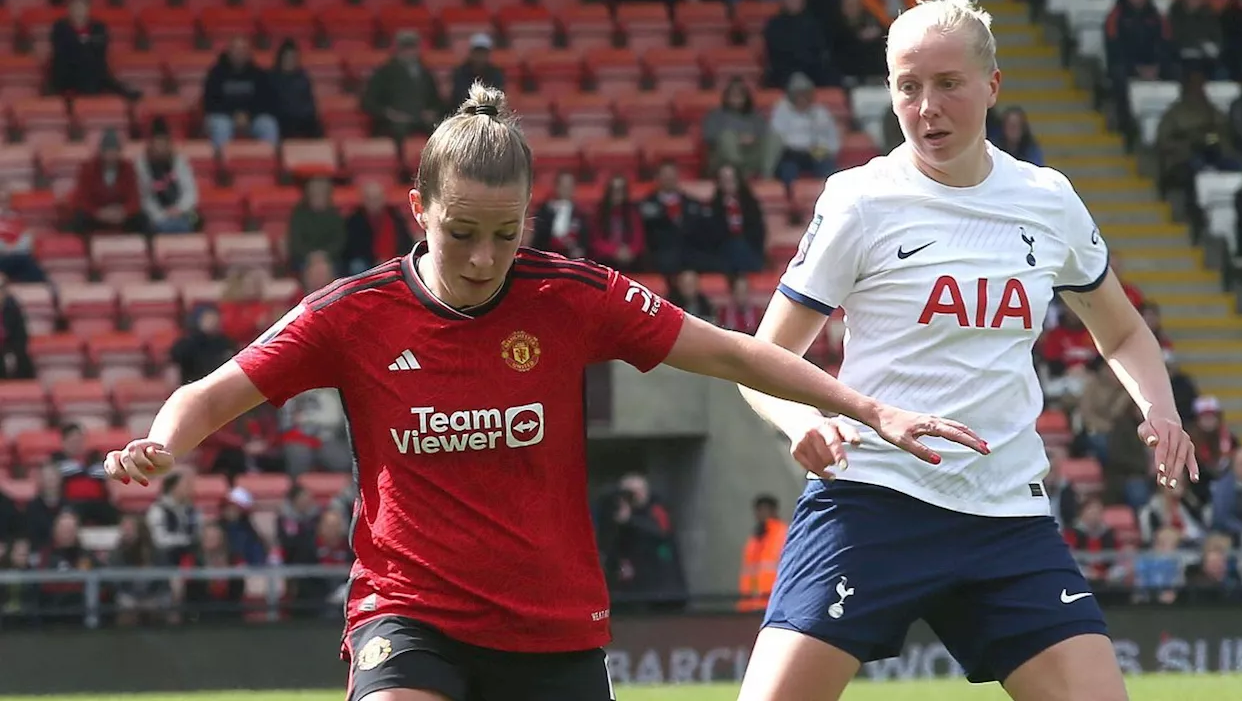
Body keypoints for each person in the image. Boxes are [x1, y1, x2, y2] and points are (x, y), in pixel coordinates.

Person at [102, 83, 984, 701]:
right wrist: (164, 444)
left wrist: (868, 408)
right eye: (461, 234)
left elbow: (735, 356)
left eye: (504, 232)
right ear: (419, 209)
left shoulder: (572, 296)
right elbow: (209, 394)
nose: (486, 258)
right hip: (409, 613)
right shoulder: (352, 315)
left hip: (554, 626)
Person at [734, 0, 1197, 701]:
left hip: (1006, 515)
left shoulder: (1047, 199)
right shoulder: (860, 201)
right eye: (907, 87)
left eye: (948, 84)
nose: (927, 108)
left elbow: (1124, 328)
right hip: (872, 500)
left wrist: (1160, 407)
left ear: (993, 85)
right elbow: (762, 361)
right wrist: (803, 423)